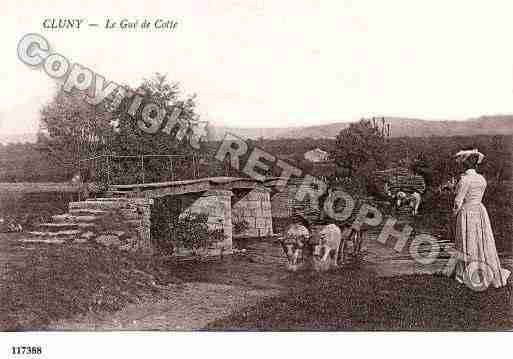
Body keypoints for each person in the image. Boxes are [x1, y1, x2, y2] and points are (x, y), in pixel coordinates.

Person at [452, 149, 510, 289]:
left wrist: (454, 215)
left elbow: (458, 201)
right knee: (481, 240)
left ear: (464, 165)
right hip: (480, 210)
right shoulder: (481, 179)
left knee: (467, 240)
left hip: (467, 211)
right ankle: (482, 267)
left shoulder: (464, 180)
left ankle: (467, 272)